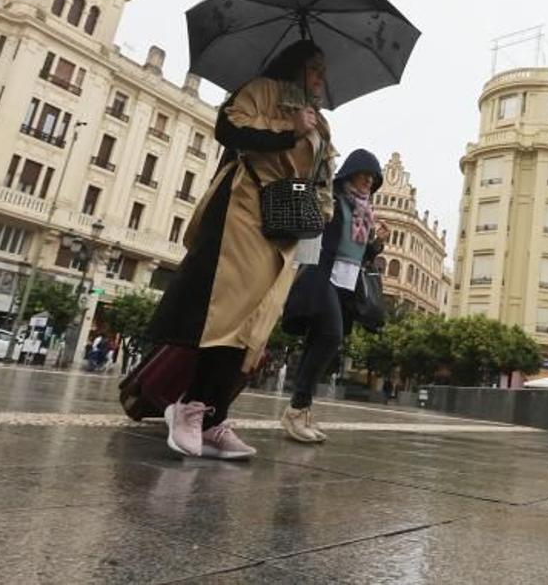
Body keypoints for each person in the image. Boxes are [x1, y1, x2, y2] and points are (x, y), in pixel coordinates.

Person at [147, 40, 334, 460]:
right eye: (315, 69)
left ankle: (214, 420)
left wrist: (323, 208)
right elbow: (228, 128)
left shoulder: (320, 123)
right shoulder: (261, 90)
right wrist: (290, 130)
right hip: (244, 212)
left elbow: (322, 175)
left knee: (253, 324)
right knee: (226, 313)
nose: (322, 79)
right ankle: (190, 407)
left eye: (324, 71)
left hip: (286, 230)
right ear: (295, 68)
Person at [280, 149, 388, 444]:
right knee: (331, 336)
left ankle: (301, 410)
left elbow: (360, 254)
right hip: (321, 275)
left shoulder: (364, 212)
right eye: (364, 174)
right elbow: (316, 232)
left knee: (319, 341)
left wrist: (376, 244)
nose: (368, 181)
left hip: (347, 283)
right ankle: (296, 408)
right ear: (350, 172)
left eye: (373, 178)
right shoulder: (332, 200)